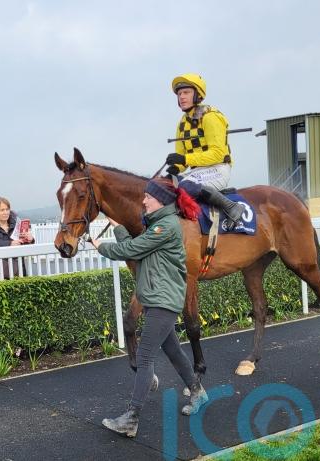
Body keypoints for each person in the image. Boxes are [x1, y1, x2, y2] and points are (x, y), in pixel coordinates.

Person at [90, 177, 209, 438]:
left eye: (148, 197)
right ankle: (197, 392)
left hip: (163, 301)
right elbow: (139, 247)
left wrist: (100, 246)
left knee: (144, 357)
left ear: (161, 201)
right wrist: (119, 227)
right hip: (157, 299)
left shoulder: (166, 226)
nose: (143, 200)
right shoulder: (157, 224)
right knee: (172, 349)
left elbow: (132, 249)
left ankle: (131, 418)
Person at [165, 73, 246, 225]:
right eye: (179, 94)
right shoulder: (182, 123)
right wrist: (175, 168)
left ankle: (232, 207)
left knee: (185, 186)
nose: (182, 97)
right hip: (197, 172)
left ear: (198, 95)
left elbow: (217, 154)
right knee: (164, 186)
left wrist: (185, 159)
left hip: (218, 169)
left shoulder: (211, 117)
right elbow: (182, 157)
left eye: (186, 92)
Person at [0, 197, 34, 279]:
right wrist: (10, 243)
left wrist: (30, 239)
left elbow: (21, 243)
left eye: (7, 209)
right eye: (2, 210)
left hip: (18, 268)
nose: (5, 212)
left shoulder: (17, 224)